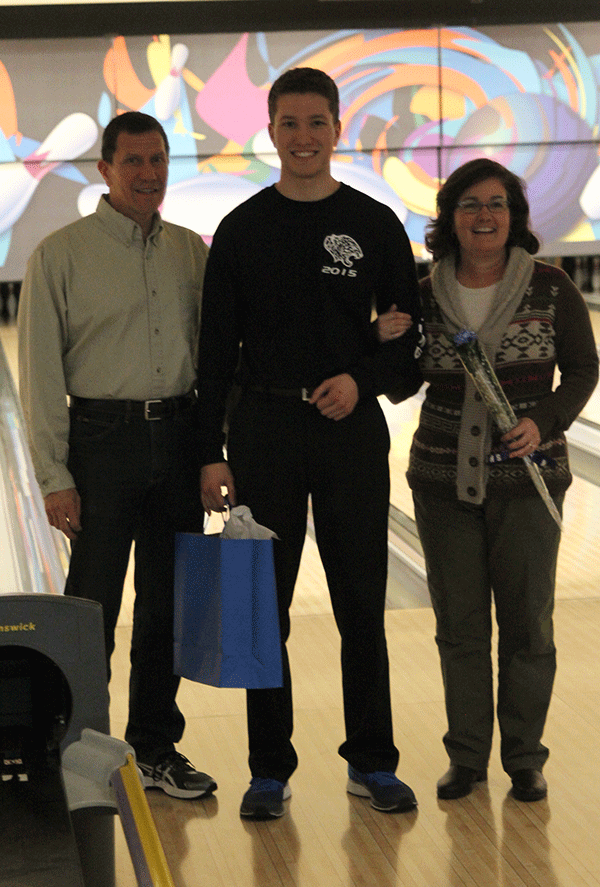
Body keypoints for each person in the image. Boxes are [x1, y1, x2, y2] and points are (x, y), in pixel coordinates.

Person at [196, 67, 423, 820]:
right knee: (264, 606)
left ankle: (372, 761)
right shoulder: (241, 229)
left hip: (348, 429)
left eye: (316, 122)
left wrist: (362, 380)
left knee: (362, 600)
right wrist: (210, 449)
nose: (303, 137)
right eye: (289, 123)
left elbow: (408, 340)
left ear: (336, 128)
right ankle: (269, 769)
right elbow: (212, 354)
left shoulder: (374, 223)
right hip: (262, 430)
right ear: (270, 132)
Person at [378, 158, 598, 801]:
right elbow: (398, 385)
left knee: (529, 624)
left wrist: (546, 421)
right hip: (443, 480)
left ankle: (525, 757)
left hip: (529, 479)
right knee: (461, 625)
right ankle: (468, 758)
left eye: (497, 204)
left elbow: (583, 371)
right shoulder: (424, 296)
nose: (484, 215)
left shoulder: (553, 288)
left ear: (515, 217)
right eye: (470, 204)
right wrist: (384, 340)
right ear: (449, 217)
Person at [18, 111, 217, 800]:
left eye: (158, 160)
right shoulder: (61, 253)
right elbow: (40, 374)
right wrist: (55, 475)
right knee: (91, 607)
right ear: (104, 169)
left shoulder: (191, 251)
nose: (148, 174)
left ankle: (157, 748)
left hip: (181, 437)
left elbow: (215, 363)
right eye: (133, 161)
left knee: (168, 606)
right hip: (101, 441)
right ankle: (76, 747)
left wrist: (213, 451)